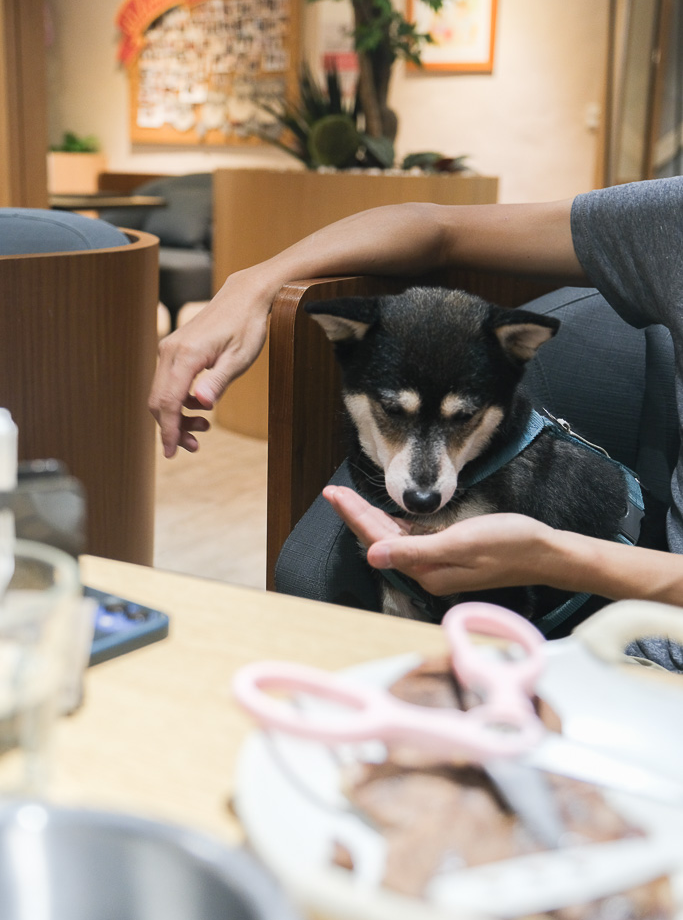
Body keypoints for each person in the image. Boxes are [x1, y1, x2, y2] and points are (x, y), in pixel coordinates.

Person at [148, 177, 683, 667]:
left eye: (462, 422)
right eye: (392, 414)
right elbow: (435, 226)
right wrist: (253, 284)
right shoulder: (667, 219)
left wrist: (559, 559)